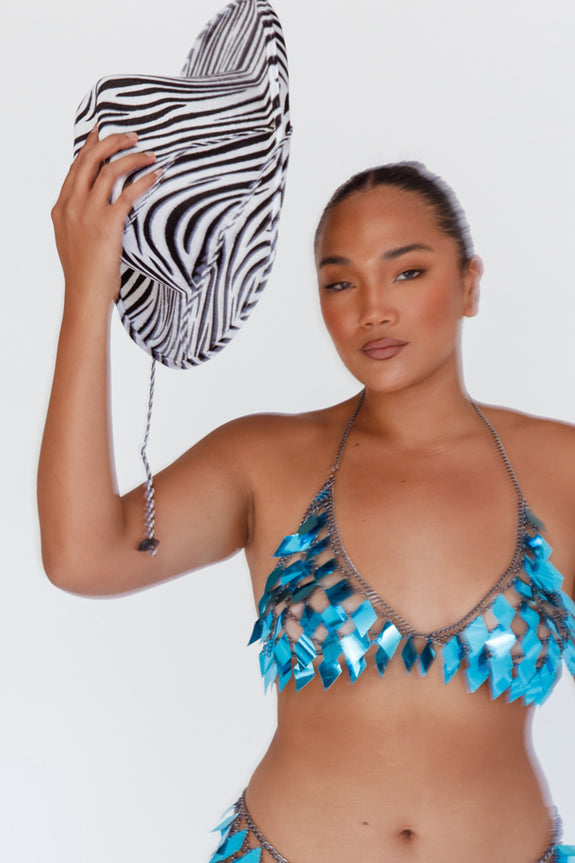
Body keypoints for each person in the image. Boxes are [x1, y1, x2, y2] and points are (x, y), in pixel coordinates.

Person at [38, 128, 575, 863]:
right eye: (339, 282)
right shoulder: (263, 458)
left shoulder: (560, 466)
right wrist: (87, 290)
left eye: (407, 272)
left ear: (469, 284)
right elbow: (82, 557)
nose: (372, 309)